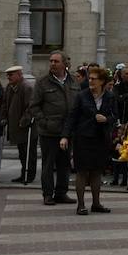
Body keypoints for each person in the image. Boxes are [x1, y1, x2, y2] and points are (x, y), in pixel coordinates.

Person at [61, 66, 116, 215]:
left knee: (97, 171)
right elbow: (72, 116)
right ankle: (81, 204)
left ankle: (96, 203)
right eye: (89, 78)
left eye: (94, 79)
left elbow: (115, 116)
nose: (90, 81)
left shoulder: (110, 96)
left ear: (102, 81)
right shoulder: (82, 95)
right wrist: (65, 136)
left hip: (100, 138)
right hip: (83, 138)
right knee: (82, 171)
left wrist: (106, 119)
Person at [30, 50, 80, 206]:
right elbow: (34, 106)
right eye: (51, 61)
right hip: (49, 131)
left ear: (65, 64)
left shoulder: (73, 81)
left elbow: (77, 103)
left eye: (56, 61)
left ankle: (61, 193)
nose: (52, 63)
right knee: (48, 164)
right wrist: (43, 122)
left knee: (64, 164)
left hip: (68, 131)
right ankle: (47, 194)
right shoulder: (42, 82)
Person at [0, 66, 37, 184]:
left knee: (28, 152)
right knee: (22, 152)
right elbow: (5, 104)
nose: (8, 77)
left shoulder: (26, 87)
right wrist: (3, 117)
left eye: (11, 75)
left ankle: (29, 175)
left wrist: (24, 120)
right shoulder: (10, 88)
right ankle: (23, 173)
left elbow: (31, 106)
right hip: (16, 125)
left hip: (26, 126)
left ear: (19, 74)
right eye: (8, 75)